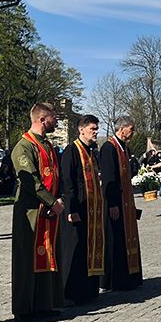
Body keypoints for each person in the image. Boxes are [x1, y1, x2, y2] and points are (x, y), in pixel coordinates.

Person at [9, 103, 65, 322]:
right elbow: (31, 181)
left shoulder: (48, 145)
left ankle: (44, 303)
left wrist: (57, 200)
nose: (56, 121)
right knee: (27, 258)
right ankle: (25, 307)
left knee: (48, 255)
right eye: (54, 117)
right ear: (42, 119)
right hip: (31, 211)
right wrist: (52, 201)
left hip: (49, 210)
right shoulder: (24, 147)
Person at [60, 115, 104, 304]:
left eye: (97, 128)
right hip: (77, 208)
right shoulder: (72, 150)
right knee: (74, 250)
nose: (96, 132)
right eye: (93, 128)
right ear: (82, 129)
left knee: (89, 248)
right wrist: (71, 208)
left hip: (92, 209)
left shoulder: (92, 151)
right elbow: (67, 181)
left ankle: (88, 289)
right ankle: (69, 292)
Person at [99, 115, 143, 292]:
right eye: (131, 129)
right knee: (114, 240)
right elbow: (109, 178)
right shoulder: (109, 148)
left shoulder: (124, 147)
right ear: (122, 128)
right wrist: (112, 204)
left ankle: (128, 276)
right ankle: (113, 280)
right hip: (115, 202)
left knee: (125, 239)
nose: (132, 133)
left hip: (125, 200)